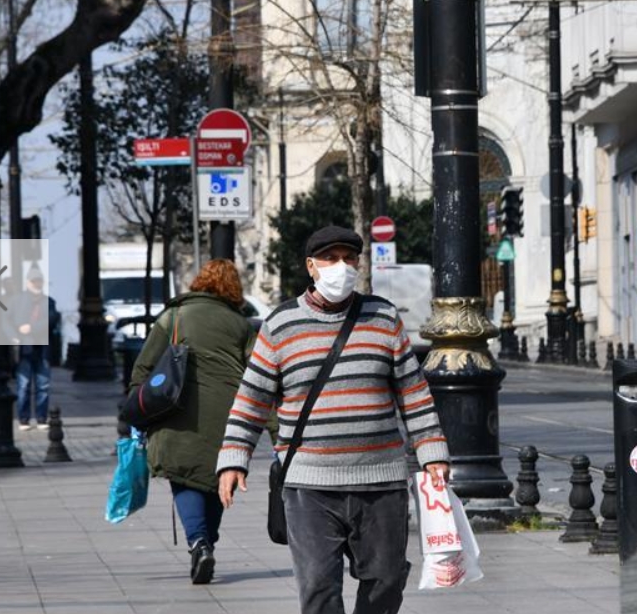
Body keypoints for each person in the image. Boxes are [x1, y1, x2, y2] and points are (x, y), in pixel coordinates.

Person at [217, 225, 451, 614]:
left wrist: (433, 451)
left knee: (386, 581)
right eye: (330, 258)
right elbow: (251, 398)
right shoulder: (280, 325)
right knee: (319, 590)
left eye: (348, 258)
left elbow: (413, 391)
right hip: (309, 485)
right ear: (311, 266)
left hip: (381, 479)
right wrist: (233, 457)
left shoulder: (383, 317)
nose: (340, 266)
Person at [129, 259, 256, 585]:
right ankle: (206, 543)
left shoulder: (174, 316)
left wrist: (137, 409)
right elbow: (259, 377)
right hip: (228, 415)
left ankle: (199, 543)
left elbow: (143, 368)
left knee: (183, 477)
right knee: (216, 479)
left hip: (175, 412)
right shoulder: (241, 325)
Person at [7, 264, 59, 431]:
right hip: (25, 349)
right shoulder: (17, 301)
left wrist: (31, 327)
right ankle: (24, 419)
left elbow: (51, 320)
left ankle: (42, 418)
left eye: (39, 281)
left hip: (42, 350)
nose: (37, 284)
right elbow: (7, 321)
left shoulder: (49, 302)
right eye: (33, 281)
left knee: (43, 385)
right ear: (28, 283)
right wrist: (13, 336)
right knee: (23, 385)